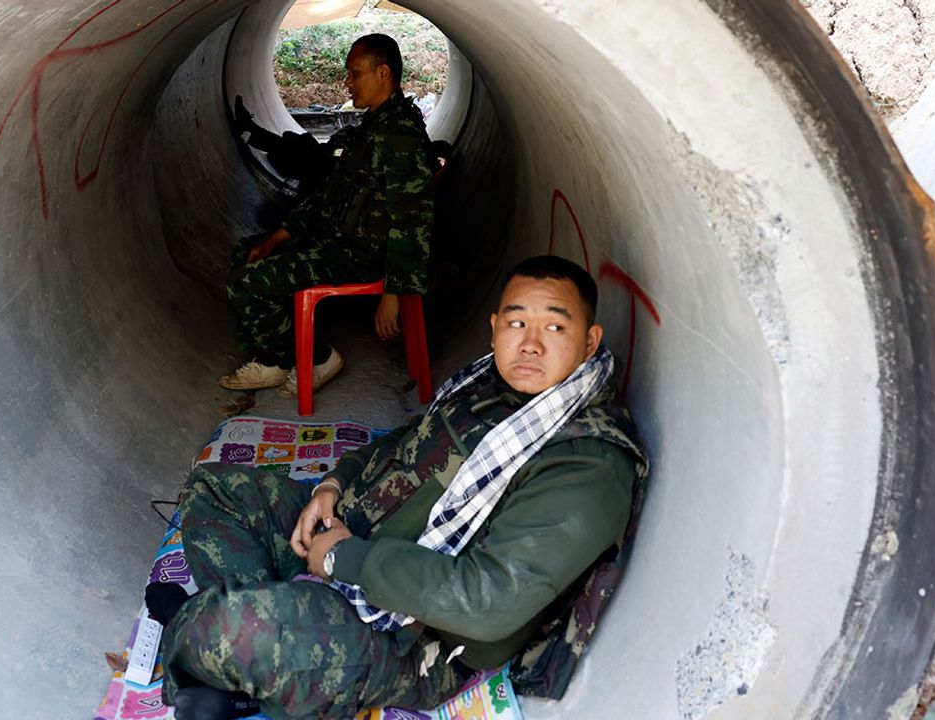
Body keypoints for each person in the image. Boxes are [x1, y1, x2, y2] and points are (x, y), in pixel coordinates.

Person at [150, 256, 651, 720]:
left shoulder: (586, 461)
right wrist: (332, 486)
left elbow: (488, 604)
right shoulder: (491, 387)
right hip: (354, 529)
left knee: (233, 630)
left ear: (590, 341)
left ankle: (216, 642)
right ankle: (244, 658)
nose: (531, 344)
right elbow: (406, 439)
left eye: (555, 327)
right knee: (216, 488)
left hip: (412, 635)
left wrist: (343, 560)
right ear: (495, 326)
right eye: (517, 323)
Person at [219, 33, 437, 398]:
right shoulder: (374, 126)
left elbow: (413, 219)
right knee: (247, 253)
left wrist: (393, 293)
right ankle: (274, 359)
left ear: (383, 73)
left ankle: (316, 358)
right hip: (338, 241)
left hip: (360, 257)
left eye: (355, 73)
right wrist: (278, 237)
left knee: (248, 282)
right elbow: (329, 197)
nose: (347, 82)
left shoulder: (401, 135)